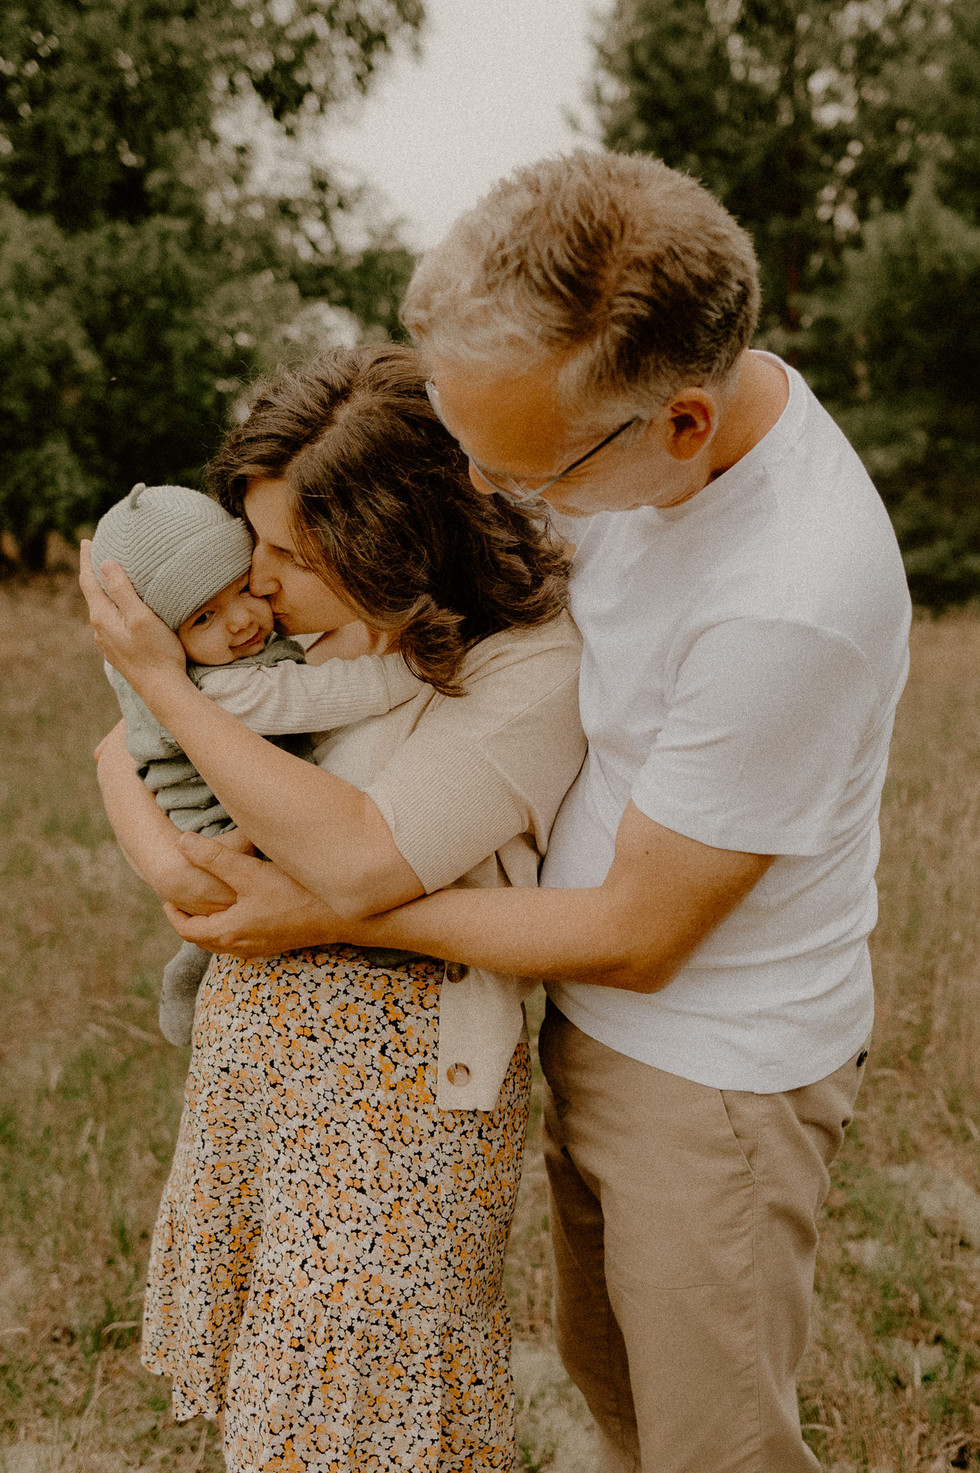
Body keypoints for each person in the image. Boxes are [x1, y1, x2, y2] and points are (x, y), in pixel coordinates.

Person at [158, 152, 914, 1472]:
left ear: (680, 424)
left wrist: (334, 910)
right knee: (612, 1388)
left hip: (709, 1073)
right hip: (588, 1020)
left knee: (712, 1445)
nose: (487, 486)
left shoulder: (791, 603)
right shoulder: (634, 419)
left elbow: (640, 932)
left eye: (524, 470)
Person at [80, 344, 585, 1471]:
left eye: (286, 553)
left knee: (361, 1417)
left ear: (387, 543)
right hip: (265, 1065)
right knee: (281, 1417)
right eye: (252, 540)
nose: (255, 581)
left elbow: (358, 863)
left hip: (400, 1100)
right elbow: (123, 754)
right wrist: (178, 868)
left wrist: (161, 681)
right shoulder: (310, 627)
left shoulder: (526, 667)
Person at [89, 479, 422, 1044]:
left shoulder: (229, 655)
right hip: (212, 820)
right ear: (163, 639)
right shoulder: (227, 687)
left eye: (243, 589)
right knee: (281, 868)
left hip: (224, 821)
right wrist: (417, 669)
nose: (241, 620)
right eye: (203, 618)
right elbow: (331, 694)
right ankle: (194, 970)